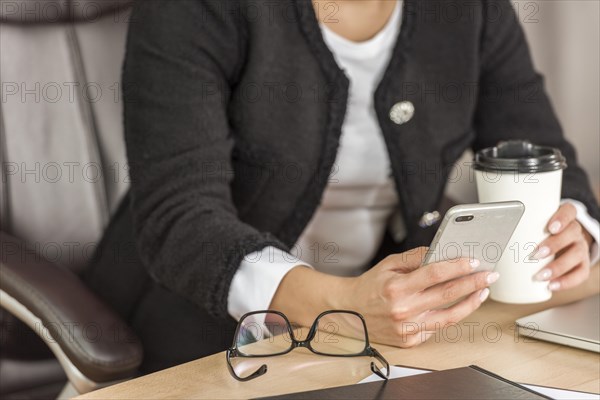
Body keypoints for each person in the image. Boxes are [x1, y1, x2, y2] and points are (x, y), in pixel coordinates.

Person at [108, 0, 600, 372]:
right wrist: (339, 305)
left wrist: (573, 223)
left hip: (375, 337)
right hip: (195, 326)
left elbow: (539, 147)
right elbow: (180, 216)